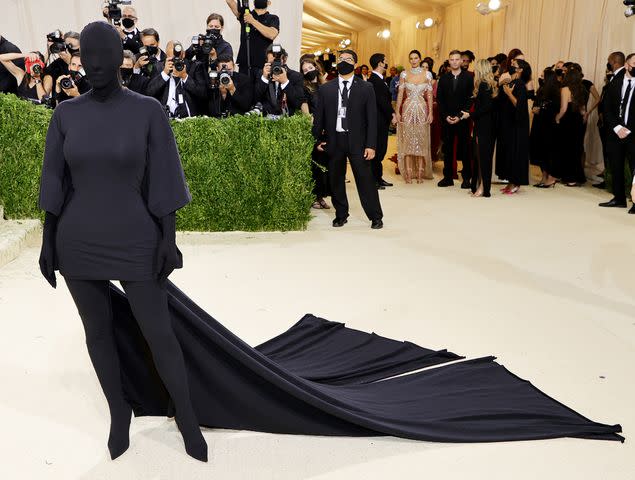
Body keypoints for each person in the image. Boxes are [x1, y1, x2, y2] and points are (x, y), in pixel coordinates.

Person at [37, 21, 207, 462]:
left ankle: (186, 415)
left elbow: (165, 176)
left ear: (120, 60)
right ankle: (119, 413)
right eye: (86, 56)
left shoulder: (148, 110)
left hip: (136, 237)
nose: (93, 64)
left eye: (103, 55)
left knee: (159, 333)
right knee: (98, 333)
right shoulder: (65, 114)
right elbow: (54, 179)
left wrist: (169, 238)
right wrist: (47, 240)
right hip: (77, 241)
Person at [312, 49, 383, 229]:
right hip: (334, 140)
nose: (344, 62)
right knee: (336, 179)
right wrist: (317, 140)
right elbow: (319, 118)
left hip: (358, 142)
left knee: (365, 179)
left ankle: (375, 216)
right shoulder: (326, 89)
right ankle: (341, 214)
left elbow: (372, 119)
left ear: (355, 64)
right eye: (341, 59)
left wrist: (371, 145)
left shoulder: (366, 88)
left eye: (348, 59)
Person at [599, 53, 635, 212]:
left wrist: (629, 129)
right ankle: (619, 198)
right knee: (616, 165)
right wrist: (617, 128)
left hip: (633, 134)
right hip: (616, 133)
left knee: (634, 168)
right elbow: (607, 108)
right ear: (627, 64)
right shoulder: (615, 82)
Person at [395, 50, 434, 184]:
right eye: (411, 58)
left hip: (422, 109)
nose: (413, 60)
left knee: (421, 139)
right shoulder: (404, 74)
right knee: (408, 138)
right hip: (407, 109)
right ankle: (408, 173)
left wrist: (431, 112)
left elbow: (429, 95)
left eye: (416, 58)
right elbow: (400, 94)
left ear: (420, 59)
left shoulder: (428, 74)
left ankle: (420, 174)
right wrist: (398, 111)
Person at [436, 50, 474, 187]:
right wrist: (446, 116)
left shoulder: (469, 77)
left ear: (461, 61)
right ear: (449, 61)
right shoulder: (444, 78)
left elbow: (471, 98)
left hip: (463, 119)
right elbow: (440, 99)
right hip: (447, 119)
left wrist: (460, 116)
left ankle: (467, 178)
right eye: (452, 59)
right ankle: (447, 177)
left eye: (457, 59)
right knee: (448, 149)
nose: (454, 62)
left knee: (465, 149)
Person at [461, 59, 497, 197]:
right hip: (484, 125)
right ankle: (478, 185)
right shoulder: (486, 84)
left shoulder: (484, 85)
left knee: (483, 158)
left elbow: (486, 108)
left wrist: (469, 114)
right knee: (479, 156)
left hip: (485, 126)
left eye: (476, 68)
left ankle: (483, 187)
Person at [145, 40, 207, 118]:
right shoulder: (159, 67)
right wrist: (164, 73)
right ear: (166, 56)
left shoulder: (195, 66)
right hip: (165, 117)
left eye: (178, 58)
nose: (175, 61)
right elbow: (149, 93)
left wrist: (185, 76)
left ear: (183, 54)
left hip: (190, 118)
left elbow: (203, 93)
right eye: (172, 59)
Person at [300, 57, 330, 209]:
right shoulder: (304, 88)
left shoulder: (324, 85)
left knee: (325, 164)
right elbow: (304, 106)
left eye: (310, 68)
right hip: (314, 129)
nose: (308, 72)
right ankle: (313, 196)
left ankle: (321, 196)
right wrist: (312, 121)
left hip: (328, 130)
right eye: (305, 70)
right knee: (314, 164)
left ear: (316, 68)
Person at [499, 59, 531, 195]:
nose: (511, 66)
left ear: (520, 70)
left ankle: (516, 183)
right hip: (511, 123)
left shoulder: (520, 84)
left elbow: (519, 105)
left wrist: (508, 93)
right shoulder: (512, 82)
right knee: (510, 153)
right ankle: (511, 181)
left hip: (519, 125)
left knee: (516, 153)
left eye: (514, 65)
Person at [596, 52, 627, 189]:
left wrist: (616, 124)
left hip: (618, 125)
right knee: (613, 158)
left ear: (614, 61)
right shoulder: (614, 77)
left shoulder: (622, 76)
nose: (608, 64)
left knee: (618, 159)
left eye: (609, 61)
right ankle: (617, 193)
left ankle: (619, 193)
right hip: (611, 123)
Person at [225, 0, 280, 77]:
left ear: (269, 2)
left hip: (263, 66)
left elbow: (272, 34)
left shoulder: (273, 18)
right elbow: (230, 2)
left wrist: (252, 21)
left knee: (261, 88)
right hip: (245, 65)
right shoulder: (246, 14)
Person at [555, 67, 588, 187]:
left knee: (567, 149)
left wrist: (557, 118)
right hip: (578, 120)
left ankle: (570, 178)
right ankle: (578, 177)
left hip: (567, 121)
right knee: (576, 149)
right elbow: (583, 110)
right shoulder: (581, 89)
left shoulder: (565, 89)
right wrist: (583, 119)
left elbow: (563, 109)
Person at [368, 53, 396, 189]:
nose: (387, 62)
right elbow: (383, 102)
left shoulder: (378, 79)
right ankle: (374, 180)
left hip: (381, 121)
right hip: (378, 121)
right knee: (378, 150)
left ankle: (378, 178)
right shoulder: (374, 80)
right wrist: (392, 114)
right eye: (385, 60)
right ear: (380, 63)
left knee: (380, 150)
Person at [530, 68, 561, 188]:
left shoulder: (555, 92)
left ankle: (550, 178)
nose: (541, 78)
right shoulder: (541, 90)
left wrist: (541, 109)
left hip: (548, 126)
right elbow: (535, 105)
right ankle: (544, 177)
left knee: (548, 152)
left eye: (543, 76)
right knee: (539, 151)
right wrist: (535, 109)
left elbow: (554, 109)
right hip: (539, 124)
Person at [254, 45, 304, 117]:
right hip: (265, 121)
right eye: (271, 63)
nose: (275, 66)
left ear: (284, 59)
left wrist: (285, 82)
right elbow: (255, 99)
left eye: (277, 62)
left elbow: (298, 103)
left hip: (288, 122)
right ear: (266, 61)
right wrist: (264, 78)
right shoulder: (261, 74)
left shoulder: (296, 76)